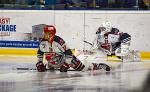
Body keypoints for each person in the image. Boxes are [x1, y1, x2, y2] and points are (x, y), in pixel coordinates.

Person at [36, 25, 111, 72]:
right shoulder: (43, 42)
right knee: (51, 59)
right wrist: (40, 62)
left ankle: (98, 65)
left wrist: (66, 64)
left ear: (51, 34)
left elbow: (68, 53)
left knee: (83, 68)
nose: (43, 34)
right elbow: (40, 52)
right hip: (54, 61)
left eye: (45, 33)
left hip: (66, 60)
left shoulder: (59, 41)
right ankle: (51, 65)